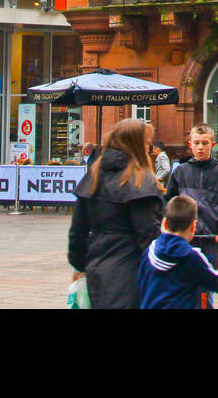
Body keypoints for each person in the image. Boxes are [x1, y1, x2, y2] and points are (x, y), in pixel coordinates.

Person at [68, 118, 164, 309]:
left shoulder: (93, 176)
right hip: (131, 271)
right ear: (136, 144)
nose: (149, 148)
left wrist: (81, 265)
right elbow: (148, 237)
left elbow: (76, 234)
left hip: (96, 266)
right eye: (146, 142)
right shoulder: (140, 181)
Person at [163, 123, 218, 307]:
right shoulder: (180, 172)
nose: (200, 147)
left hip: (209, 240)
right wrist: (169, 228)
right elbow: (169, 203)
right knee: (180, 285)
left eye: (204, 143)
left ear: (212, 145)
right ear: (189, 144)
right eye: (196, 143)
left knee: (205, 288)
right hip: (182, 239)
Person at [138, 195, 218, 309]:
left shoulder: (150, 250)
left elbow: (140, 283)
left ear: (165, 223)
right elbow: (216, 281)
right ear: (193, 226)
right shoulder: (191, 257)